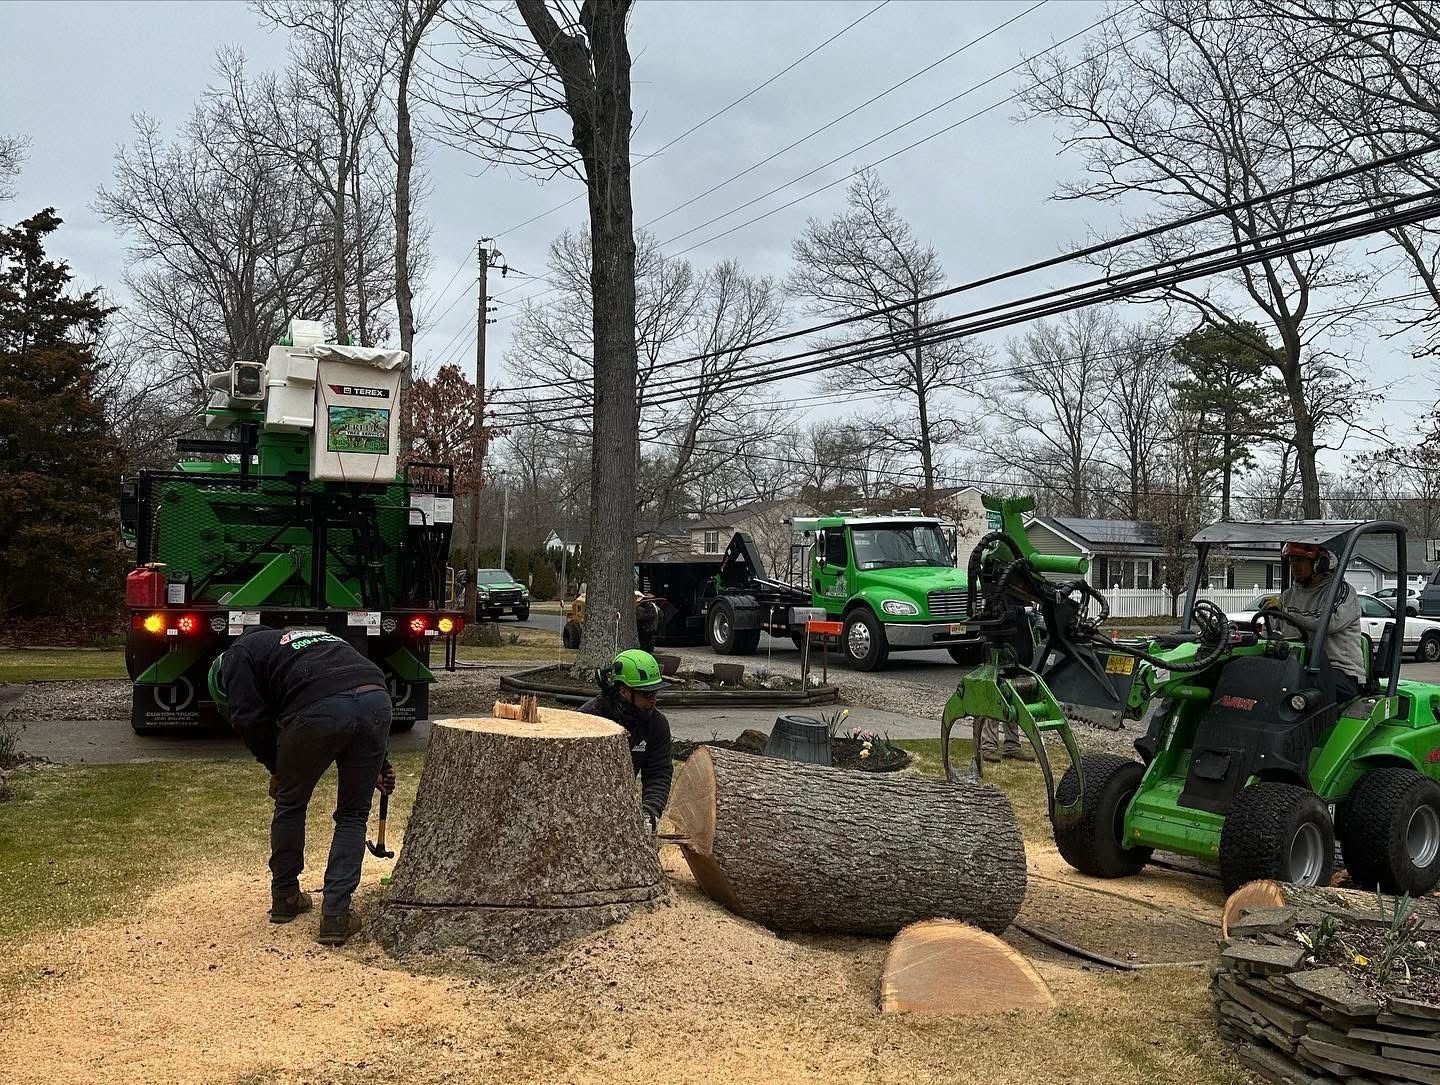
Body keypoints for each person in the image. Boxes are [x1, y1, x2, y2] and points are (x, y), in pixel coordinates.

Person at [208, 628, 396, 946]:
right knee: (353, 814)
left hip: (319, 707)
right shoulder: (315, 641)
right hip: (376, 698)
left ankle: (285, 897)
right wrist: (380, 764)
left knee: (290, 802)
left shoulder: (235, 658)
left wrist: (277, 771)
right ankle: (336, 915)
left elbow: (249, 719)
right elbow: (355, 689)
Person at [578, 649, 674, 831]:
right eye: (647, 694)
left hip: (622, 806)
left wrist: (650, 812)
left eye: (655, 693)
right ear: (623, 691)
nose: (653, 700)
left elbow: (658, 773)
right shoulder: (589, 718)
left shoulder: (657, 724)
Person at [1259, 541, 1365, 703]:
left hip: (1340, 672)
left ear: (1319, 564)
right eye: (1292, 560)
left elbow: (1327, 623)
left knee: (1292, 685)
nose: (1294, 566)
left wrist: (1285, 612)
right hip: (1297, 666)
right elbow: (1271, 631)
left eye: (1300, 560)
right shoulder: (1288, 596)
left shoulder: (1341, 592)